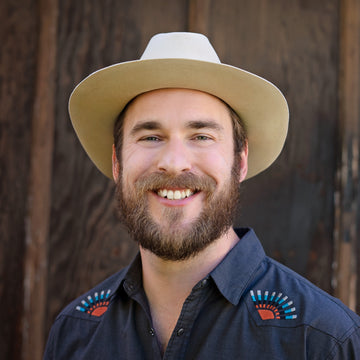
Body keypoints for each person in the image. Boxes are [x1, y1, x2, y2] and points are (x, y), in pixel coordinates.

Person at [44, 32, 360, 359]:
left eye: (201, 136)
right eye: (151, 137)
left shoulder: (324, 339)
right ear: (117, 162)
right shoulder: (75, 332)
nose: (174, 163)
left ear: (240, 161)